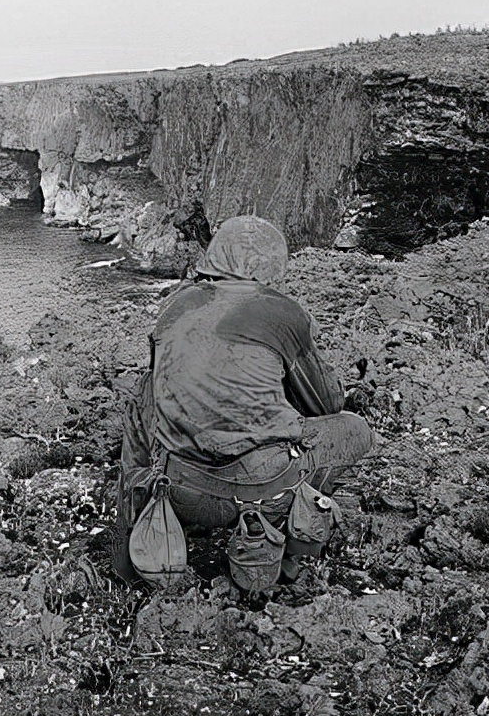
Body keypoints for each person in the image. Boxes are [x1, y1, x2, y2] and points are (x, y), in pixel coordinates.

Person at [116, 215, 373, 590]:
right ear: (270, 265)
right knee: (354, 430)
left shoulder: (175, 306)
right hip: (265, 492)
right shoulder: (282, 311)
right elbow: (327, 402)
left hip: (179, 490)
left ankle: (128, 539)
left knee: (142, 389)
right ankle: (295, 540)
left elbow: (155, 393)